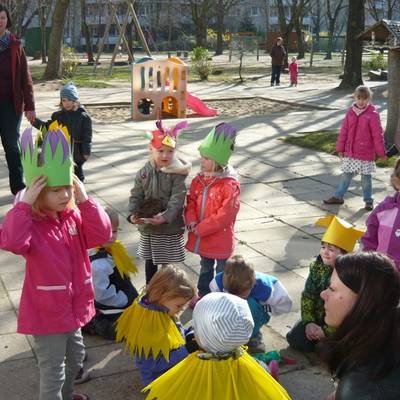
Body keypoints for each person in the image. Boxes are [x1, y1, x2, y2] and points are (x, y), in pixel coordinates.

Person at [0, 125, 112, 400]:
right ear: (37, 192)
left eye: (67, 188)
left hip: (74, 308)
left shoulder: (72, 216)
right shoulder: (31, 223)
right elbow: (12, 242)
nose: (64, 195)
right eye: (55, 190)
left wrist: (85, 201)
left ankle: (68, 393)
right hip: (47, 313)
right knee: (53, 371)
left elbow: (102, 235)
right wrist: (23, 206)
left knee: (76, 360)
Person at [142, 292, 291, 400]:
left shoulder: (184, 375)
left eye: (197, 328)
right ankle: (268, 370)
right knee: (260, 368)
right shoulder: (250, 366)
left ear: (201, 337)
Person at [319, 251, 400, 400]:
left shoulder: (361, 389)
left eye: (332, 288)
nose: (323, 294)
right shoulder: (388, 324)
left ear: (365, 300)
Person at [286, 215, 364, 353]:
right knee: (295, 338)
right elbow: (308, 295)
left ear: (344, 254)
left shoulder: (348, 276)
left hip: (338, 325)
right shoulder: (317, 268)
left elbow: (347, 312)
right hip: (317, 318)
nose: (325, 252)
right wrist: (309, 322)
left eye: (332, 249)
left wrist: (327, 331)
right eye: (323, 246)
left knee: (332, 349)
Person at [127, 120, 191, 284]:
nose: (165, 155)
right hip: (148, 226)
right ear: (151, 149)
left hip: (168, 227)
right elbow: (136, 195)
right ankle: (149, 289)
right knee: (150, 260)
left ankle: (167, 289)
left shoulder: (177, 173)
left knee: (167, 263)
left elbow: (178, 198)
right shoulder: (143, 173)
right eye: (160, 151)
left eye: (170, 151)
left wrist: (165, 216)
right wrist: (133, 214)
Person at [185, 122, 240, 303]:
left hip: (219, 239)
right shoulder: (199, 180)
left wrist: (202, 228)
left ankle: (221, 298)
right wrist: (191, 220)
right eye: (201, 156)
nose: (201, 161)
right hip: (204, 238)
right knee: (205, 267)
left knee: (222, 271)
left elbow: (225, 215)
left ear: (216, 162)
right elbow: (191, 202)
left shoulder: (229, 185)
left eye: (206, 158)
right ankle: (203, 295)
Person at [115, 265, 196, 386]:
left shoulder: (161, 309)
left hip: (172, 367)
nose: (181, 310)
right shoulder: (147, 325)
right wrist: (187, 349)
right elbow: (156, 364)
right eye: (179, 306)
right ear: (160, 295)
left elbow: (172, 334)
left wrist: (187, 334)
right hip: (158, 380)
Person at [209, 255, 292, 354]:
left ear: (252, 285)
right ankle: (229, 334)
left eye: (241, 295)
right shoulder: (218, 282)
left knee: (250, 304)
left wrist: (265, 307)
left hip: (256, 313)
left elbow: (285, 304)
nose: (239, 298)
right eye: (234, 294)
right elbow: (213, 301)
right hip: (230, 314)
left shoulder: (266, 287)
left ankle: (253, 336)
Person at [324, 85, 386, 211]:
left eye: (364, 98)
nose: (361, 101)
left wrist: (381, 152)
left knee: (366, 178)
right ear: (355, 97)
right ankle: (338, 196)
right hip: (351, 152)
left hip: (365, 152)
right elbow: (344, 131)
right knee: (346, 175)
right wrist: (340, 148)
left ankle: (368, 200)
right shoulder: (350, 112)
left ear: (369, 99)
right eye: (359, 98)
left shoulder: (372, 115)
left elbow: (377, 135)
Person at [84, 206, 139, 340]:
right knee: (124, 331)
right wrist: (124, 299)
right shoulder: (98, 264)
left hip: (122, 297)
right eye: (105, 231)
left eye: (114, 231)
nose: (111, 236)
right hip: (112, 307)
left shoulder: (112, 249)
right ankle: (95, 323)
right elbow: (101, 294)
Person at [0, 3, 35, 195]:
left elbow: (25, 79)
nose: (0, 22)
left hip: (10, 107)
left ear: (7, 20)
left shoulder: (15, 46)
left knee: (12, 147)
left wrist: (30, 107)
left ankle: (19, 189)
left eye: (3, 18)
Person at [32, 82, 92, 182]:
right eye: (64, 100)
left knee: (77, 174)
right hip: (62, 150)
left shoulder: (83, 117)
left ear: (75, 100)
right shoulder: (58, 116)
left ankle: (80, 194)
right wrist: (34, 121)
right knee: (63, 173)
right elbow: (47, 127)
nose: (67, 103)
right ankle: (65, 193)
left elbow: (87, 136)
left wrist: (86, 151)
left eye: (70, 100)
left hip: (77, 151)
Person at [362, 159, 400, 271]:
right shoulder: (384, 211)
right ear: (397, 183)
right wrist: (368, 261)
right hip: (382, 273)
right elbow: (369, 239)